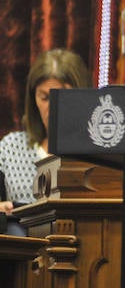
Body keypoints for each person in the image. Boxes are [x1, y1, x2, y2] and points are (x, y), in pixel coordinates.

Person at [0, 48, 90, 232]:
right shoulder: (10, 148)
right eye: (45, 97)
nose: (53, 107)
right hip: (23, 253)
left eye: (62, 97)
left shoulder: (98, 152)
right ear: (34, 99)